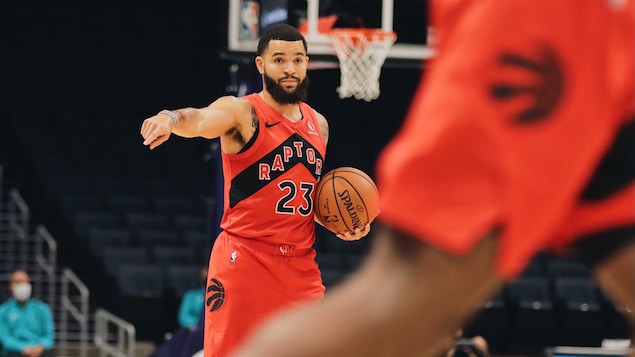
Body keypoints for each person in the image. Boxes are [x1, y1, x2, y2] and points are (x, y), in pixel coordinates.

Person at [231, 1, 635, 356]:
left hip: (614, 36)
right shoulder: (244, 111)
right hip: (553, 20)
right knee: (408, 301)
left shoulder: (315, 124)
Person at [140, 23, 369, 357]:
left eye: (298, 60)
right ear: (261, 65)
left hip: (300, 267)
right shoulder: (242, 112)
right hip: (245, 259)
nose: (290, 68)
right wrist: (171, 119)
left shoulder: (319, 125)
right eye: (279, 59)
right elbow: (200, 118)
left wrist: (339, 221)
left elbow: (304, 197)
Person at [0, 270, 55, 357]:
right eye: (18, 282)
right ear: (11, 286)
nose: (22, 285)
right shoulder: (3, 311)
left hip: (39, 352)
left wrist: (40, 347)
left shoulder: (42, 309)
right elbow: (5, 339)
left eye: (25, 282)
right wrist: (23, 348)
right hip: (15, 352)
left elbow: (48, 337)